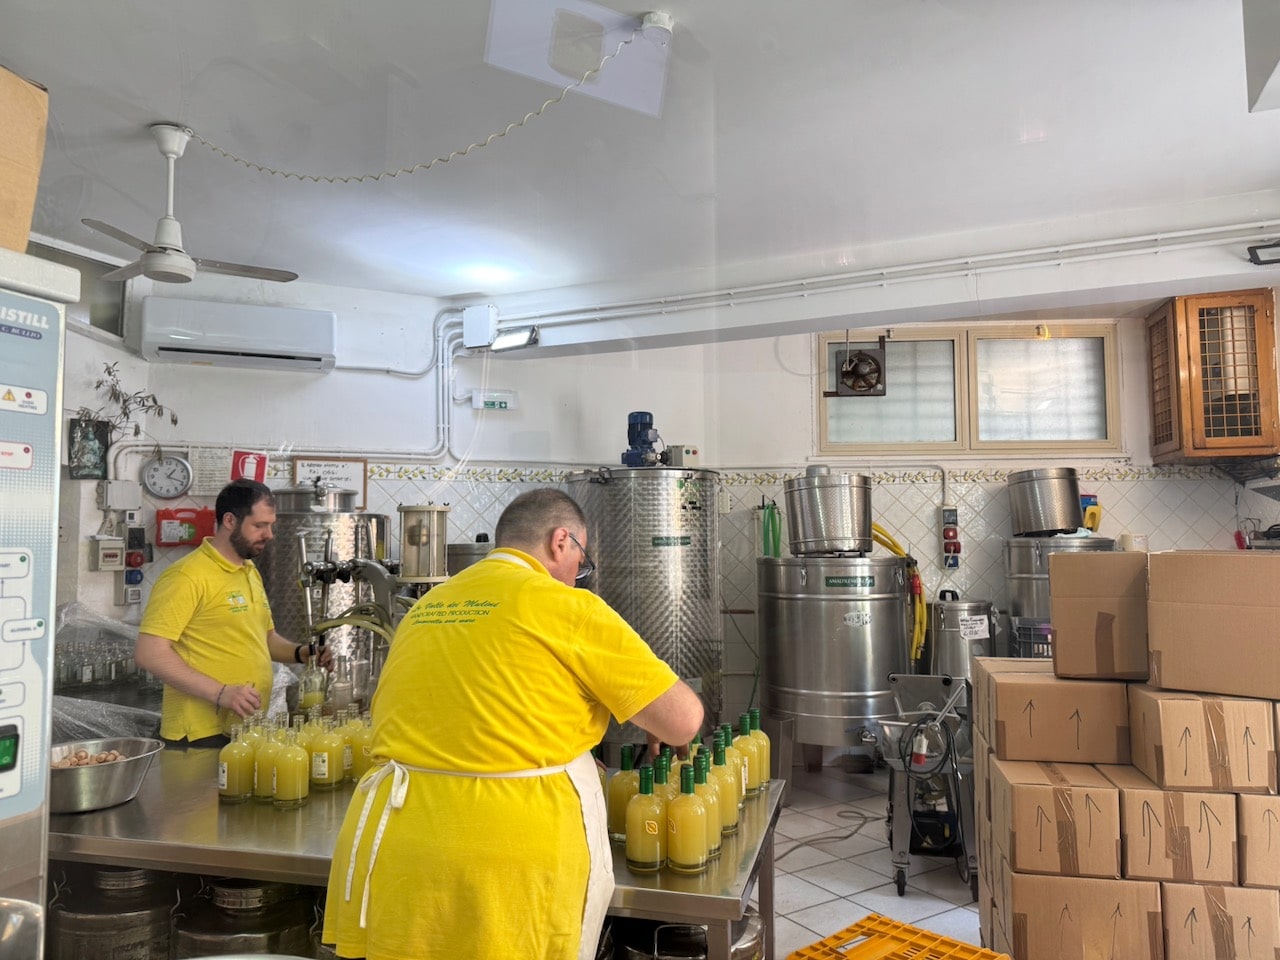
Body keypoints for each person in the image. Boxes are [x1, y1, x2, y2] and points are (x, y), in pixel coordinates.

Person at [323, 488, 704, 960]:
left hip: (399, 848)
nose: (576, 576)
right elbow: (684, 721)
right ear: (561, 542)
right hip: (506, 861)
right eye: (580, 561)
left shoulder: (427, 608)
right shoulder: (568, 607)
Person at [135, 479, 315, 746]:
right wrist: (221, 694)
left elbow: (264, 639)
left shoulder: (249, 571)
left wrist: (304, 653)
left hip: (243, 727)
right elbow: (149, 654)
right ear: (230, 521)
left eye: (271, 525)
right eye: (259, 526)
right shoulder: (188, 575)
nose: (270, 534)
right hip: (199, 734)